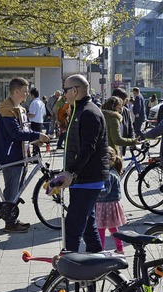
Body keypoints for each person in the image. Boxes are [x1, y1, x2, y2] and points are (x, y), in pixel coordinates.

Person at [54, 74, 109, 253]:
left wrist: (71, 172)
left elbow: (88, 148)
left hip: (88, 179)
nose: (64, 95)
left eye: (65, 90)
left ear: (75, 90)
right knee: (87, 225)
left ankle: (70, 271)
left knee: (73, 227)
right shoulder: (79, 110)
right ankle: (97, 265)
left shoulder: (89, 113)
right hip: (83, 178)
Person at [0, 77, 50, 232]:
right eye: (25, 92)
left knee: (16, 190)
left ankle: (12, 217)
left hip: (21, 154)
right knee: (12, 190)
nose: (27, 95)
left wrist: (34, 140)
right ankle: (9, 223)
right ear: (16, 91)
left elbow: (24, 131)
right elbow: (16, 133)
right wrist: (37, 135)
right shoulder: (7, 109)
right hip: (11, 155)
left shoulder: (19, 108)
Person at [96, 147, 127, 255]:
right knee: (113, 228)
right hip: (111, 204)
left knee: (100, 229)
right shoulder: (113, 171)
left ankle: (100, 250)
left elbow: (105, 191)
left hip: (105, 204)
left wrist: (95, 193)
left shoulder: (108, 175)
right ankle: (120, 249)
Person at [112, 88, 135, 155]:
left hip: (121, 148)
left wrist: (132, 141)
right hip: (109, 150)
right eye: (123, 100)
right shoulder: (106, 112)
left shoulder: (126, 111)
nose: (124, 102)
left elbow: (130, 128)